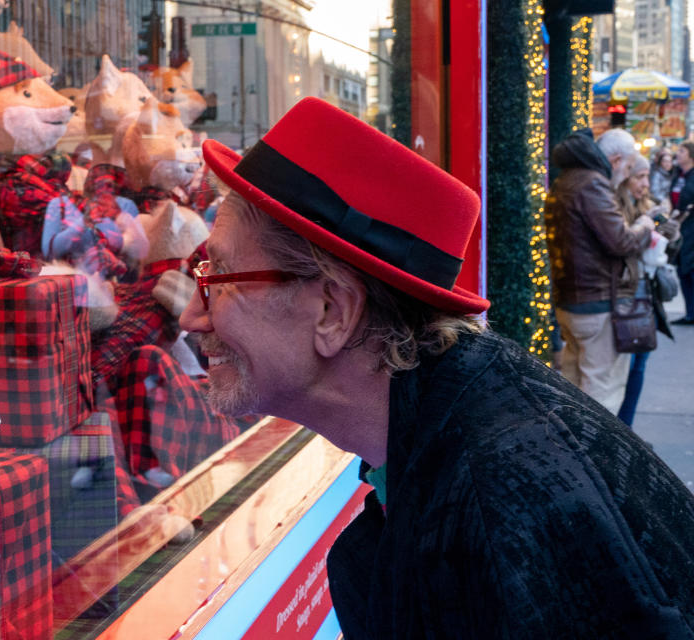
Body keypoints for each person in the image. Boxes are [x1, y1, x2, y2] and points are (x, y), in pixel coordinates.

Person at [180, 98, 694, 639]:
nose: (194, 313)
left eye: (222, 275)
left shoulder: (497, 515)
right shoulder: (452, 436)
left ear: (332, 311)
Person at [544, 128, 653, 414]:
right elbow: (621, 240)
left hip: (574, 303)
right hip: (597, 306)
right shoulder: (593, 183)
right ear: (616, 160)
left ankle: (572, 454)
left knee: (574, 388)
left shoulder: (567, 178)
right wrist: (645, 226)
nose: (627, 174)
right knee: (601, 395)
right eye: (629, 167)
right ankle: (596, 458)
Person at [614, 152, 680, 426]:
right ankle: (616, 427)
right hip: (626, 298)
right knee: (624, 368)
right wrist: (643, 227)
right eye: (639, 177)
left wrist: (670, 230)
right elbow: (621, 244)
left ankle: (626, 427)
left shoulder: (649, 205)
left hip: (647, 297)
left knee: (639, 364)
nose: (644, 183)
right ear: (626, 178)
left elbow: (673, 242)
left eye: (645, 177)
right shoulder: (615, 206)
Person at [668, 141, 694, 324]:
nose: (678, 154)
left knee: (690, 269)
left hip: (692, 227)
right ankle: (690, 312)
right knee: (682, 270)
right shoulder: (678, 175)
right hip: (679, 228)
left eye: (682, 151)